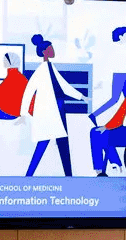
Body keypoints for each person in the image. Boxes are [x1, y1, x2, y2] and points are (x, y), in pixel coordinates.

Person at [21, 35, 84, 177]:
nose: (53, 50)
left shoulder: (50, 66)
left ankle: (67, 176)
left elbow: (63, 85)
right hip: (52, 109)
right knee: (47, 142)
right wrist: (24, 113)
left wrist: (81, 96)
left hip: (58, 107)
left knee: (59, 142)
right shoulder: (41, 70)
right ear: (44, 51)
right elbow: (29, 91)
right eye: (51, 48)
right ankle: (30, 175)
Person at [92, 25, 126, 124]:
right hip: (120, 76)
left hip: (124, 76)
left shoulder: (122, 49)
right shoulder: (117, 50)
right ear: (120, 37)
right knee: (115, 100)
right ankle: (94, 115)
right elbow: (111, 66)